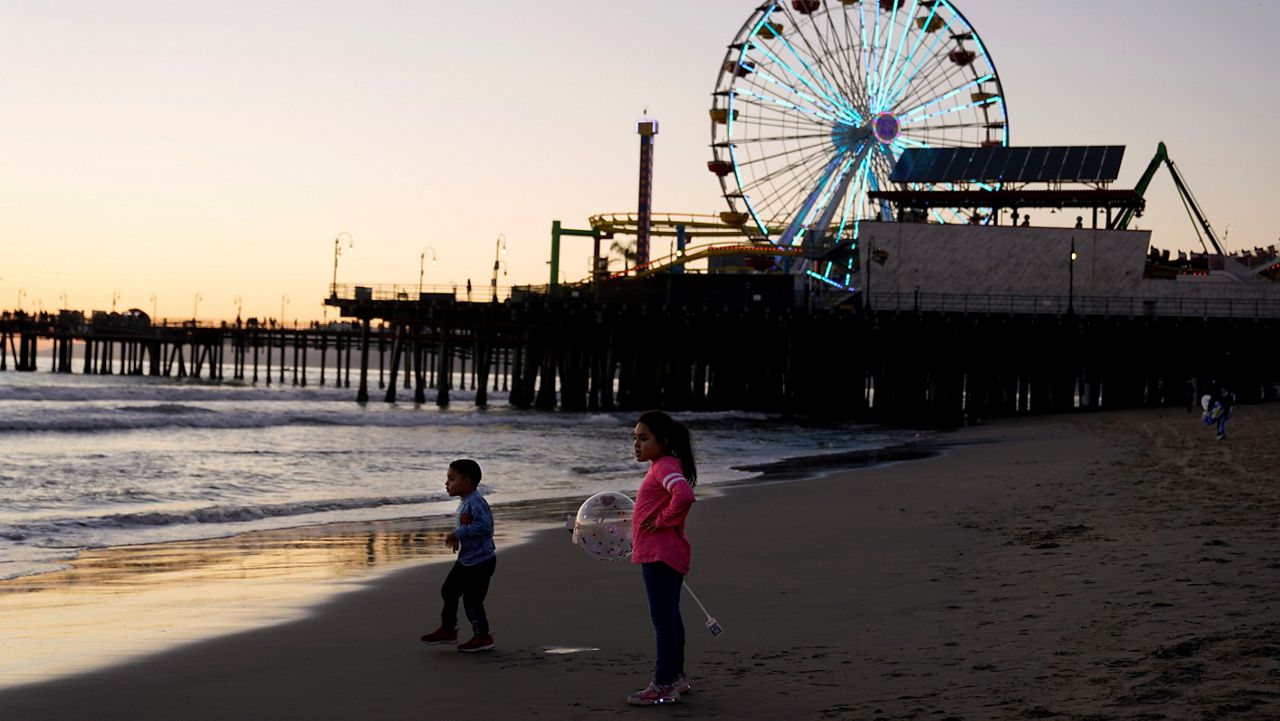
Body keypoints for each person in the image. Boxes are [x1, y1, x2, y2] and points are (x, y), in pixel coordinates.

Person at [626, 411, 697, 706]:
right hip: (666, 553)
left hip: (660, 555)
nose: (636, 445)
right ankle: (676, 677)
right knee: (671, 617)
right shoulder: (663, 465)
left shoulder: (662, 468)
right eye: (635, 438)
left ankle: (662, 684)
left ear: (664, 441)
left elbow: (684, 494)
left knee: (662, 621)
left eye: (644, 438)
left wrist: (663, 520)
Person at [420, 459, 497, 652]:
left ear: (468, 482)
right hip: (468, 560)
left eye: (451, 479)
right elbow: (469, 526)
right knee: (449, 591)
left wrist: (458, 534)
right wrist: (459, 537)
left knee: (472, 601)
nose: (446, 483)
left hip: (480, 562)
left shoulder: (476, 502)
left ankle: (483, 637)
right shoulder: (467, 502)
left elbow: (484, 526)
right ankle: (448, 629)